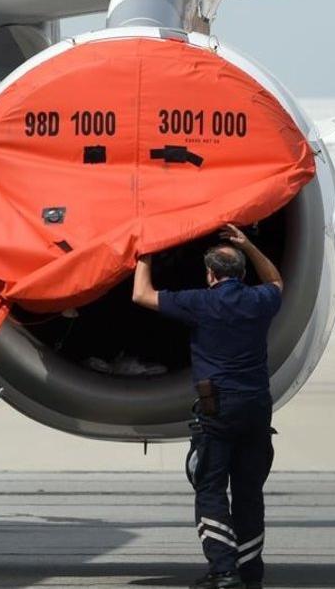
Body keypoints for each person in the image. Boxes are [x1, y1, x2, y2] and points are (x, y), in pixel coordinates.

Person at [132, 224, 282, 589]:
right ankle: (250, 574)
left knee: (210, 488)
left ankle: (223, 569)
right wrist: (249, 245)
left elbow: (141, 295)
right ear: (242, 275)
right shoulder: (259, 301)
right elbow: (276, 280)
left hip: (218, 410)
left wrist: (144, 251)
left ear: (210, 274)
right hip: (257, 409)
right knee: (249, 493)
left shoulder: (200, 302)